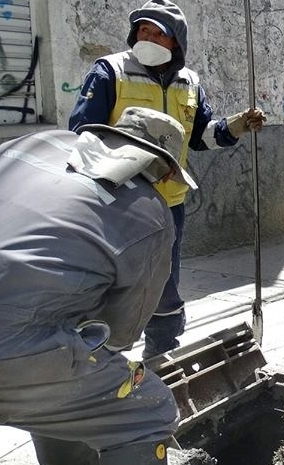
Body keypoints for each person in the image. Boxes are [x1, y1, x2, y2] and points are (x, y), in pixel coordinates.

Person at [68, 0, 266, 359]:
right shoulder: (110, 71)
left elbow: (200, 136)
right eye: (143, 30)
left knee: (163, 283)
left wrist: (234, 126)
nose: (148, 37)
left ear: (176, 41)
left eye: (159, 32)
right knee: (111, 284)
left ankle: (160, 356)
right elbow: (82, 133)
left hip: (168, 206)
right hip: (117, 204)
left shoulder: (189, 83)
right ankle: (100, 362)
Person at [0, 107, 194, 465]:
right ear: (165, 169)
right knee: (148, 409)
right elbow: (118, 334)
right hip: (9, 352)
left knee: (67, 375)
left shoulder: (36, 142)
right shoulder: (150, 213)